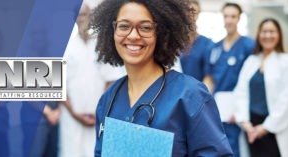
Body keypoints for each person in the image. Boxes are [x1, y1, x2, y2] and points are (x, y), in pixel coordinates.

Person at [91, 0, 233, 156]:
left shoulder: (189, 95)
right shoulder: (108, 99)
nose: (133, 35)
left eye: (145, 27)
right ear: (112, 31)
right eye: (124, 26)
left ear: (162, 33)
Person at [60, 3, 123, 157]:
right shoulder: (66, 47)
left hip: (98, 117)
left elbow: (112, 80)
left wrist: (99, 110)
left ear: (92, 16)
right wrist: (75, 113)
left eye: (84, 15)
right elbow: (57, 87)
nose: (81, 19)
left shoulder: (103, 45)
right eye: (78, 15)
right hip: (70, 117)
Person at [203, 3, 255, 156]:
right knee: (217, 144)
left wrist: (240, 110)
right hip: (218, 105)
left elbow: (252, 80)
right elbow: (209, 77)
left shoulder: (248, 45)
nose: (229, 20)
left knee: (235, 147)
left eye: (233, 16)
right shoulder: (214, 48)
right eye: (226, 16)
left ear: (239, 19)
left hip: (239, 106)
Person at [234, 18, 288, 157]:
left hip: (275, 128)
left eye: (272, 31)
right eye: (264, 31)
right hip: (251, 128)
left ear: (279, 35)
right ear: (258, 35)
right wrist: (245, 123)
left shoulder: (285, 61)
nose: (268, 35)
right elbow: (241, 92)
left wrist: (265, 127)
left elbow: (286, 98)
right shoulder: (251, 61)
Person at [180, 0, 214, 81]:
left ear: (198, 14)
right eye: (188, 11)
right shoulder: (174, 43)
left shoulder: (207, 44)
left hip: (196, 90)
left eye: (194, 12)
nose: (191, 15)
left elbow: (208, 76)